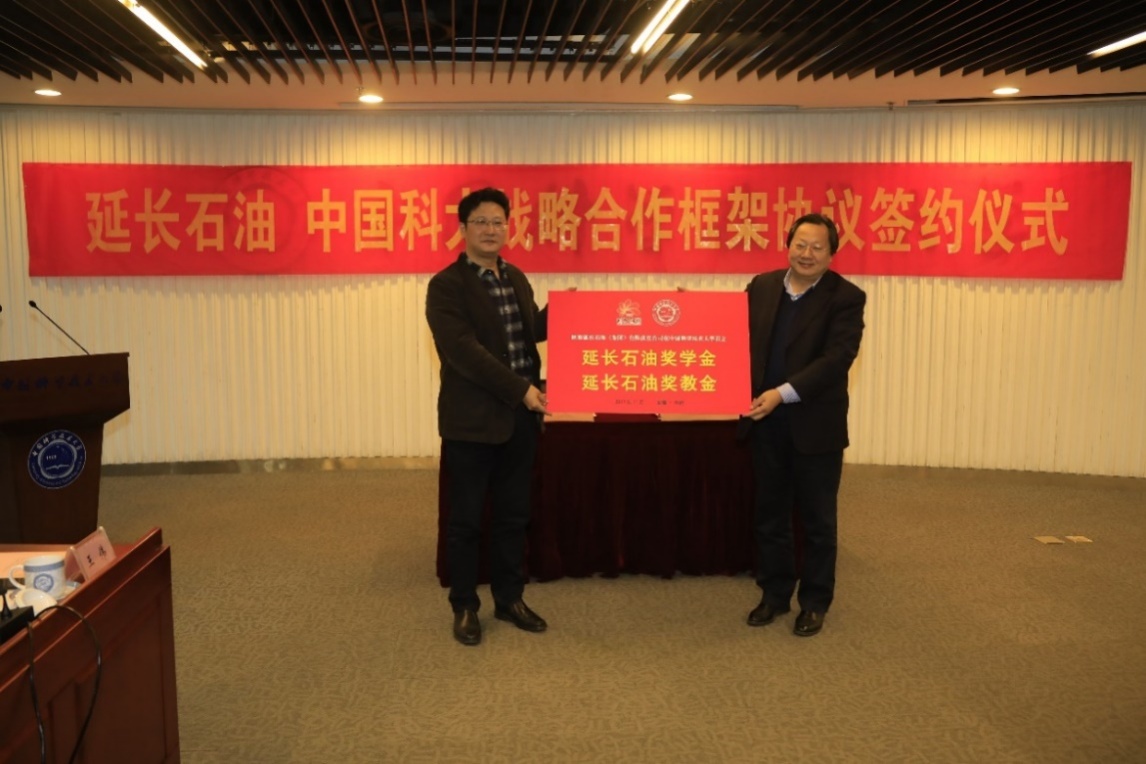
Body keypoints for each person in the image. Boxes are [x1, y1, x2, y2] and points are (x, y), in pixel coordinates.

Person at [425, 187, 550, 647]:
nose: (491, 229)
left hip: (520, 422)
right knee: (466, 521)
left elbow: (528, 331)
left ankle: (509, 598)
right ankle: (464, 606)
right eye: (481, 221)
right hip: (472, 423)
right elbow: (465, 352)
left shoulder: (515, 276)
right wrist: (522, 390)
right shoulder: (446, 286)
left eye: (498, 221)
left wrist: (571, 312)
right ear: (463, 229)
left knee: (514, 517)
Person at [741, 213, 866, 637]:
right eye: (800, 244)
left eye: (817, 247)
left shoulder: (846, 297)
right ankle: (774, 594)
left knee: (817, 521)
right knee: (770, 516)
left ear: (831, 254)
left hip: (815, 426)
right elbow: (732, 336)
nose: (806, 253)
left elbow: (836, 360)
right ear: (787, 244)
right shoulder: (761, 286)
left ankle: (814, 602)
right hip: (764, 423)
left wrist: (782, 392)